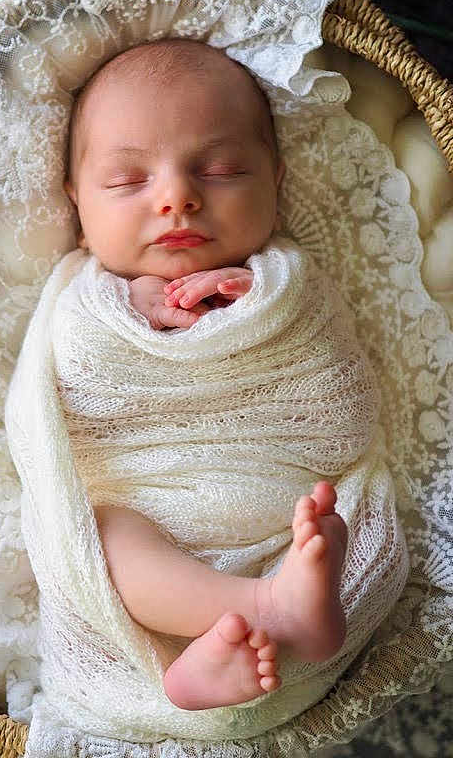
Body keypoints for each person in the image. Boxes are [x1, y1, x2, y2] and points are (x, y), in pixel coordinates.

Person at [60, 38, 351, 712]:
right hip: (148, 503)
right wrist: (129, 311)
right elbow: (69, 377)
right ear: (78, 207)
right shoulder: (83, 297)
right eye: (129, 181)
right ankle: (248, 619)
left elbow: (335, 390)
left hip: (278, 506)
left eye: (219, 169)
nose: (178, 197)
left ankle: (247, 629)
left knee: (346, 516)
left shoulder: (285, 280)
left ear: (275, 183)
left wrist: (254, 304)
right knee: (98, 538)